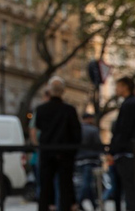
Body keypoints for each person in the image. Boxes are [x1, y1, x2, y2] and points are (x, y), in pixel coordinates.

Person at [34, 76, 82, 211]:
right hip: (65, 153)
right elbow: (76, 133)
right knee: (65, 185)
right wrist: (72, 151)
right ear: (63, 91)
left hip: (47, 151)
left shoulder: (41, 109)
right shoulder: (69, 110)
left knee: (45, 186)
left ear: (49, 90)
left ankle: (46, 207)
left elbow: (38, 128)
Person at [108, 76, 135, 211]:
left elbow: (123, 130)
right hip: (131, 151)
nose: (116, 89)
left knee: (130, 188)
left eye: (118, 86)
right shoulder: (134, 103)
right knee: (131, 188)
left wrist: (113, 151)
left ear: (125, 87)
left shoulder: (130, 104)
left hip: (127, 152)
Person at [76, 113, 103, 210]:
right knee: (87, 183)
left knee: (85, 182)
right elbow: (98, 145)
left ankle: (94, 204)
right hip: (90, 159)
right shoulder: (93, 130)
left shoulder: (76, 130)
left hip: (78, 160)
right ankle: (78, 202)